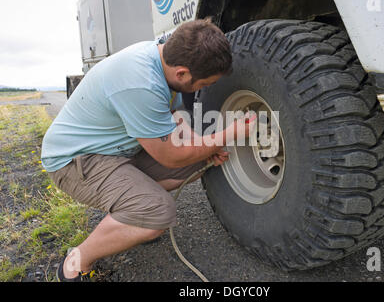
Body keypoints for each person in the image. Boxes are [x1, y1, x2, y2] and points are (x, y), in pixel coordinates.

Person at [41, 19, 255, 281]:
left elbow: (174, 116)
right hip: (75, 160)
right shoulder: (140, 82)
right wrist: (228, 134)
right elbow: (171, 156)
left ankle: (132, 208)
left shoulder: (163, 58)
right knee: (158, 212)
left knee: (200, 161)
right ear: (182, 74)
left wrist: (204, 144)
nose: (203, 90)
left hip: (116, 150)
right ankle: (76, 263)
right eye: (203, 84)